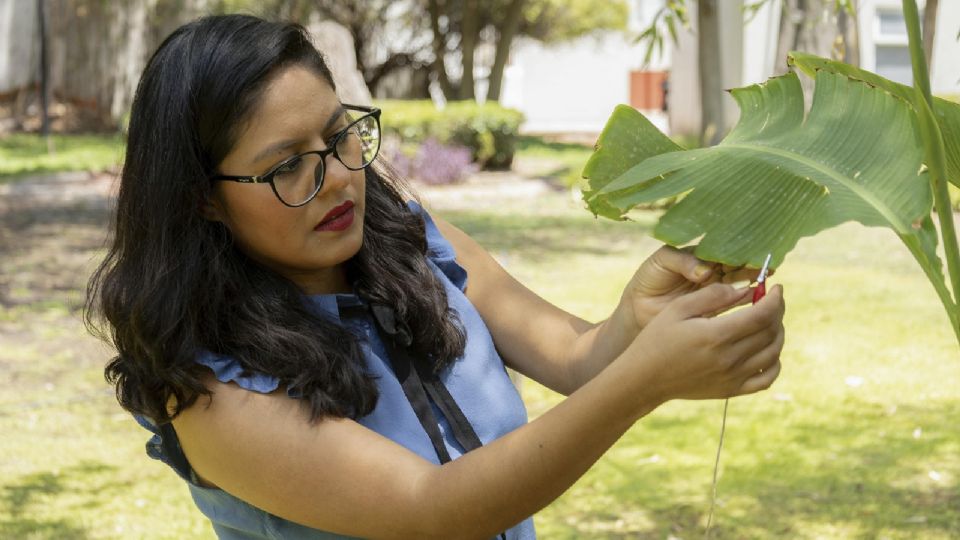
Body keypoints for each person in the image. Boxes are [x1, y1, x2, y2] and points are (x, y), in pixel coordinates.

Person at [85, 14, 785, 540]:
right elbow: (433, 510)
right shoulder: (212, 392)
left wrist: (638, 321)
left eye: (339, 137)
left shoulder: (414, 242)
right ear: (202, 197)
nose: (337, 181)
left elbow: (577, 358)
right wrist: (648, 381)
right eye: (286, 165)